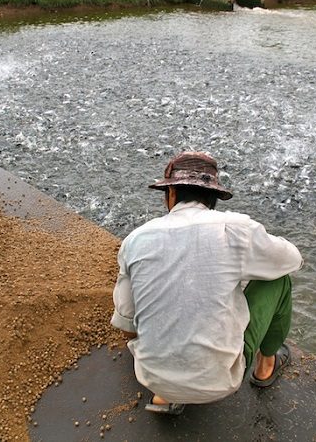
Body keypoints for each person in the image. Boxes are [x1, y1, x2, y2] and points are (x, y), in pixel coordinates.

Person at [110, 151, 303, 415]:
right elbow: (292, 259)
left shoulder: (135, 239)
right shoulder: (235, 228)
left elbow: (127, 322)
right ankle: (265, 366)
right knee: (278, 279)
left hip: (151, 377)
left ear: (172, 195)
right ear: (213, 198)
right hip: (220, 382)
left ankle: (167, 396)